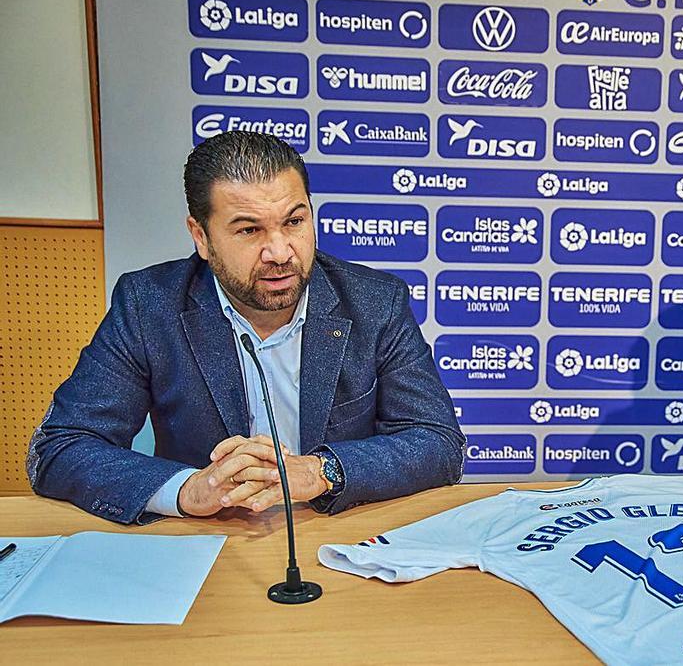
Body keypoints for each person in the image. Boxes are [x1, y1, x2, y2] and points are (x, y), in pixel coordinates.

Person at [28, 131, 465, 524]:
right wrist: (188, 489)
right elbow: (60, 446)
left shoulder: (374, 303)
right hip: (209, 544)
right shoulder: (149, 305)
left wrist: (321, 471)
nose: (279, 251)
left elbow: (438, 442)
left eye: (294, 222)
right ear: (200, 236)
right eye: (249, 230)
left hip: (337, 535)